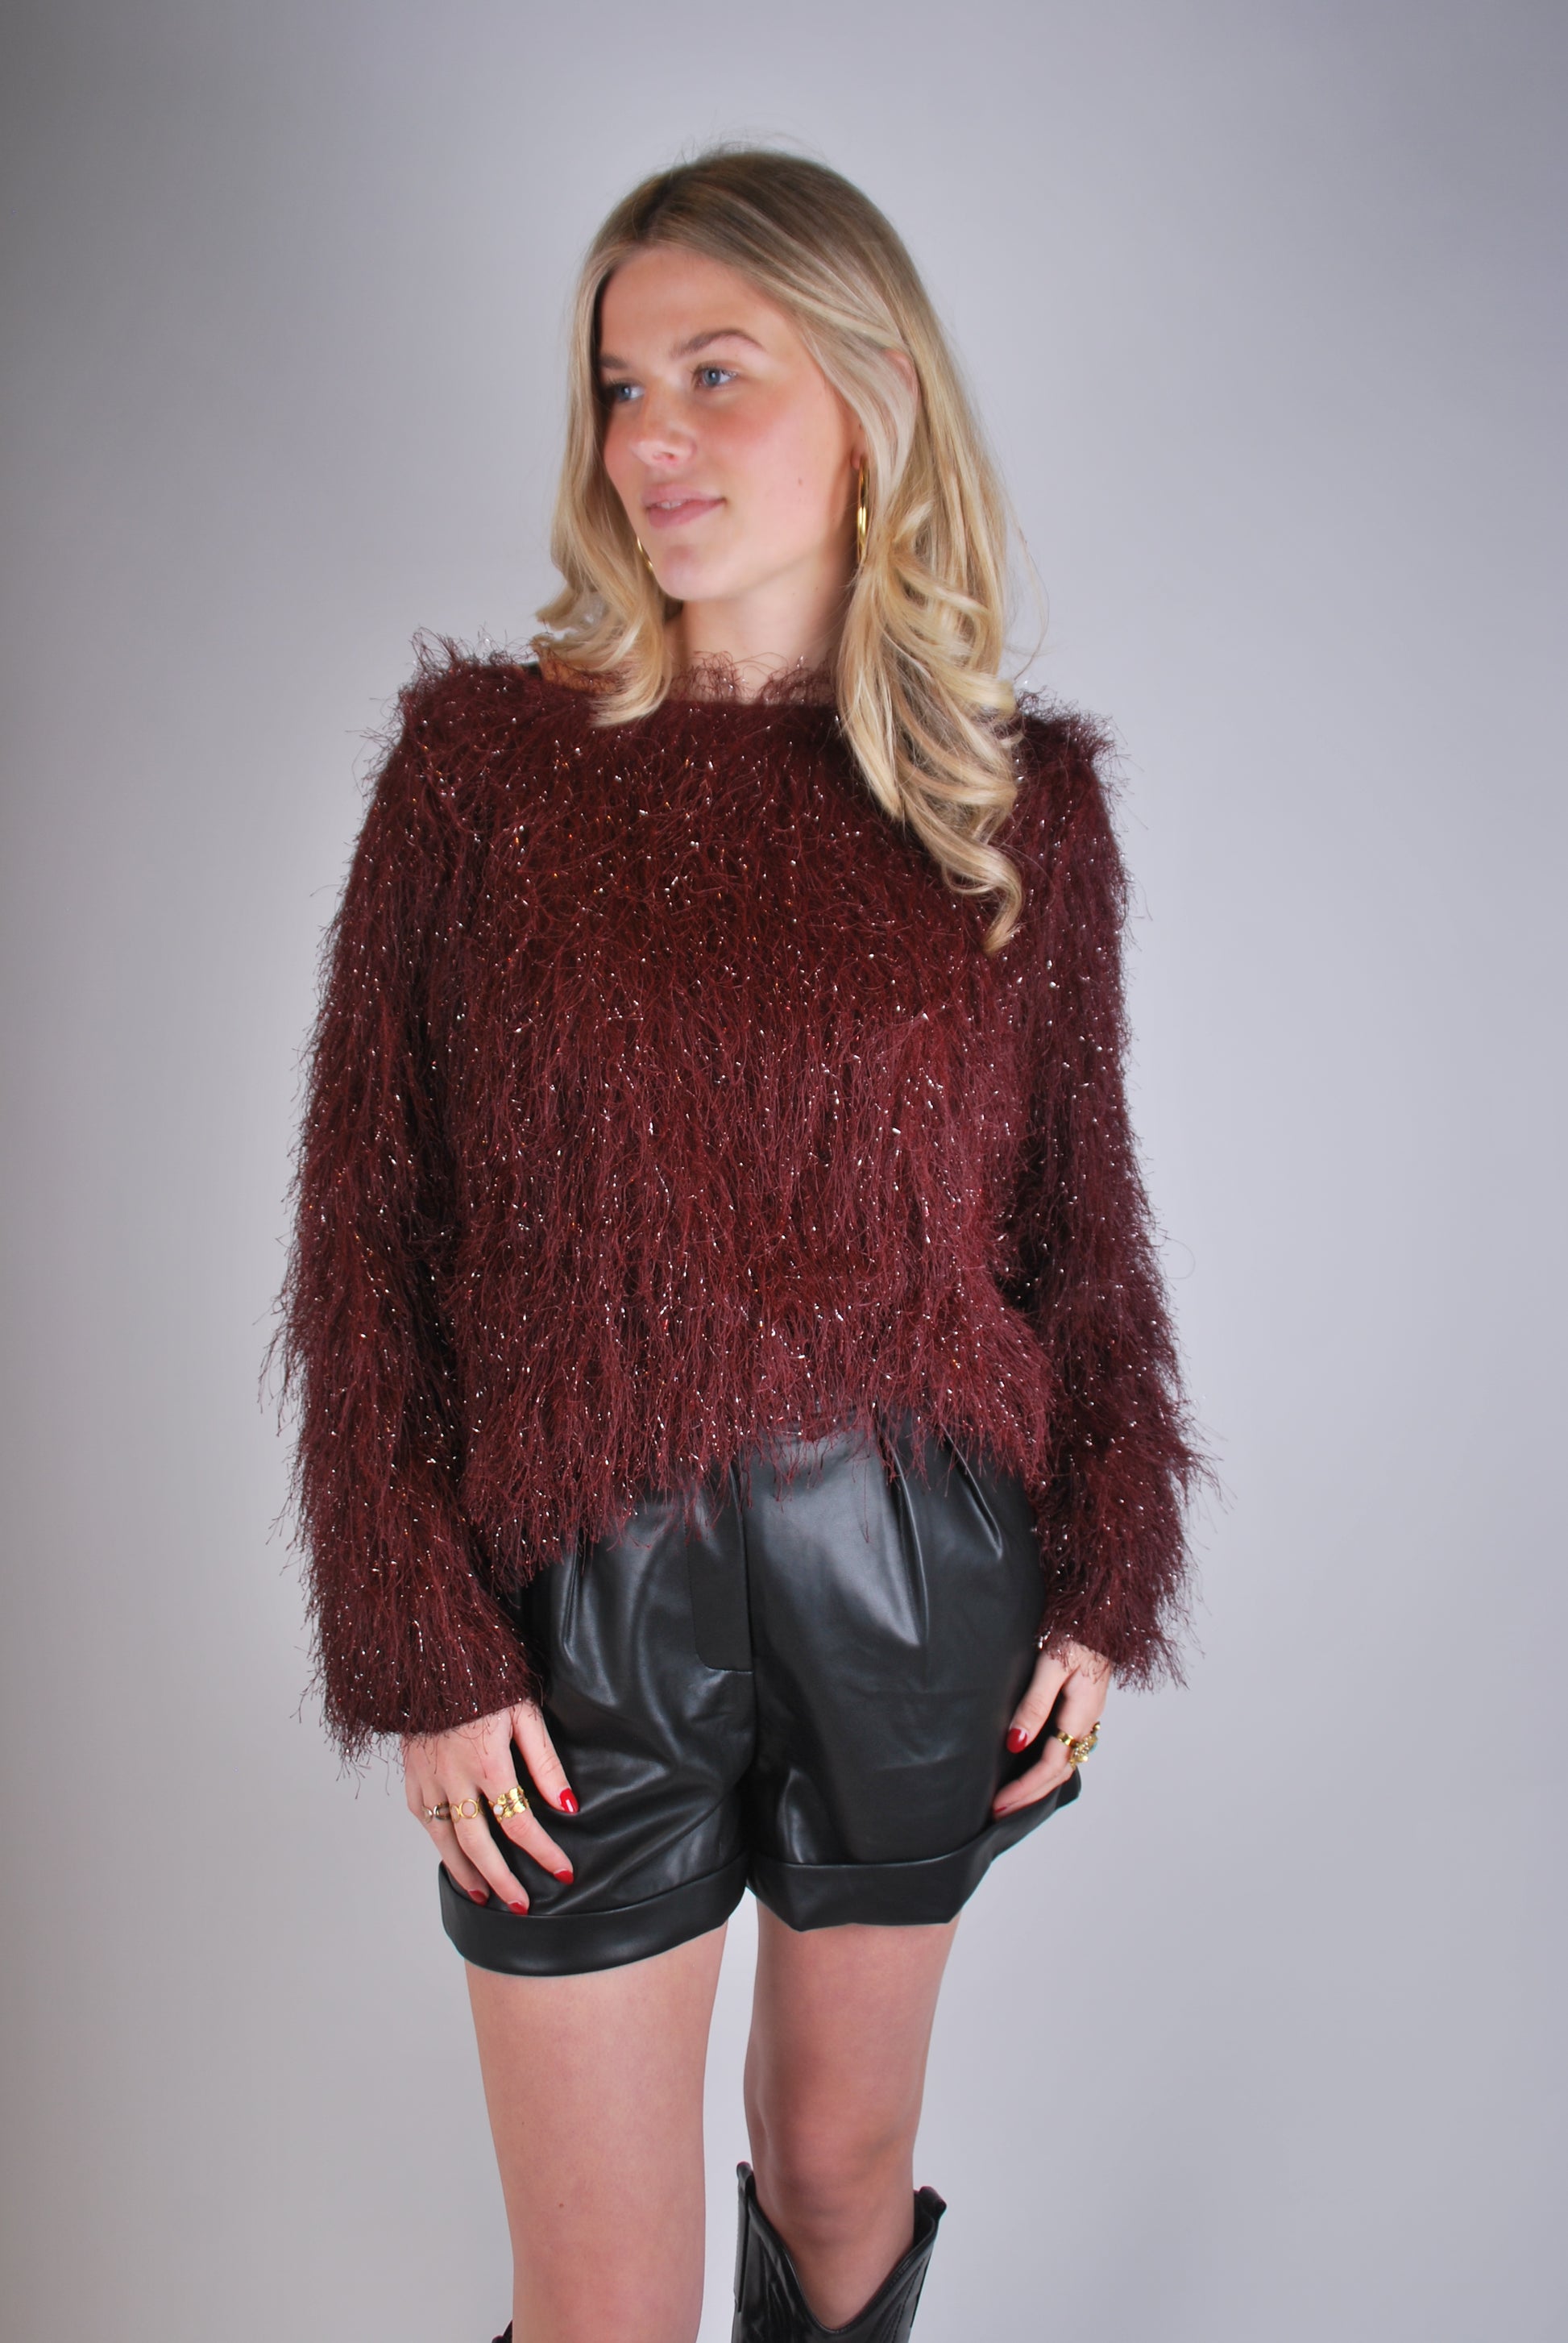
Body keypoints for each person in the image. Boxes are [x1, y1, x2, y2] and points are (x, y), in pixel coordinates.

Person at [275, 143, 1202, 2343]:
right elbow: (365, 1218)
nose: (650, 440)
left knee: (840, 2182)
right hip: (574, 1594)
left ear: (876, 397)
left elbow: (1075, 1220)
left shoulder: (1013, 801)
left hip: (915, 1578)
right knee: (606, 2299)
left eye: (716, 371)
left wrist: (1104, 1566)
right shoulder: (482, 773)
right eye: (620, 386)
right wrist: (419, 1633)